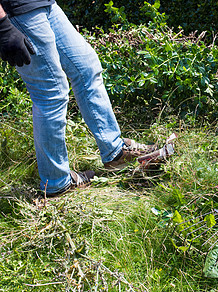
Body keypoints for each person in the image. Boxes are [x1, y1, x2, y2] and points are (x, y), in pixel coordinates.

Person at [0, 0, 169, 197]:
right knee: (50, 91)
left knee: (86, 67)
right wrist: (3, 28)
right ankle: (56, 183)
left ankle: (115, 152)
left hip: (43, 4)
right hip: (18, 13)